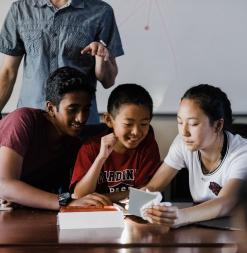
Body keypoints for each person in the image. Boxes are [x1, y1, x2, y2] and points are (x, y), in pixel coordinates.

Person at [0, 66, 111, 210]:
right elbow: (4, 185)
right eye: (72, 109)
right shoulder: (23, 120)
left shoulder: (74, 141)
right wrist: (66, 202)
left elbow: (68, 194)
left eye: (86, 109)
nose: (81, 118)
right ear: (51, 108)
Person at [0, 0, 124, 123]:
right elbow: (8, 73)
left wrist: (101, 57)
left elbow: (108, 81)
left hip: (79, 121)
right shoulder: (21, 9)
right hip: (31, 120)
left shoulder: (102, 11)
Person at [143, 84, 247, 228]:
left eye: (193, 124)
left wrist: (180, 216)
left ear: (218, 125)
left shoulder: (242, 153)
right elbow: (153, 186)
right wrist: (132, 207)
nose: (184, 132)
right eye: (180, 122)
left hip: (238, 231)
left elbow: (227, 202)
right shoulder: (183, 143)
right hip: (202, 227)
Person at [70, 83, 161, 202]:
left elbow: (146, 193)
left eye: (144, 124)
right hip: (96, 216)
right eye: (128, 124)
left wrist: (106, 198)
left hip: (131, 214)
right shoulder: (91, 147)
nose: (136, 132)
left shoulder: (148, 146)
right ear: (108, 120)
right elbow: (80, 196)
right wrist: (101, 158)